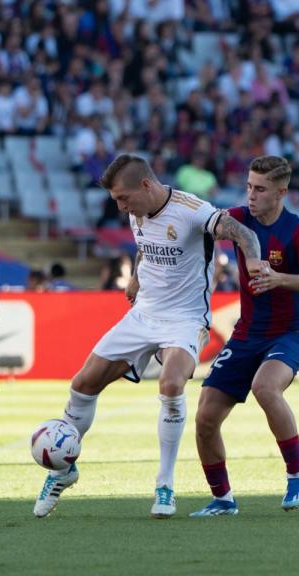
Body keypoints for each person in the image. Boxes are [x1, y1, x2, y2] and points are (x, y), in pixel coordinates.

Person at [33, 154, 265, 519]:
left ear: (146, 185)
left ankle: (165, 483)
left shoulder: (192, 209)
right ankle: (64, 471)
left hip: (186, 319)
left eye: (123, 198)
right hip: (143, 314)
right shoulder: (135, 210)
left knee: (171, 385)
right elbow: (145, 245)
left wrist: (253, 260)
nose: (120, 206)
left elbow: (242, 232)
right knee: (83, 383)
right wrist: (138, 276)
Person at [190, 156, 299, 517]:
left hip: (290, 332)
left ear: (281, 192)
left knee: (266, 388)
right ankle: (223, 500)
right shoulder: (237, 219)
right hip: (247, 333)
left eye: (260, 189)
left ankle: (297, 477)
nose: (251, 195)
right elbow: (196, 223)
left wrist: (279, 278)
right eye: (249, 186)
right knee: (204, 418)